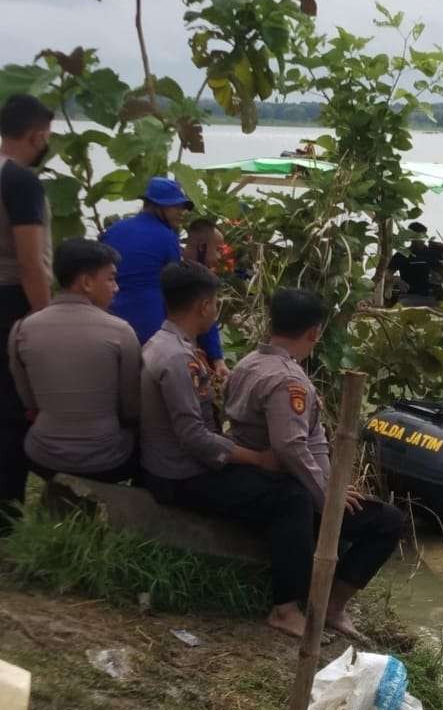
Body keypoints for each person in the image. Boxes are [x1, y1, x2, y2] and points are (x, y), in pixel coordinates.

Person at [140, 262, 321, 638]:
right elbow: (195, 438)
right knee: (294, 499)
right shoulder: (178, 358)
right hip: (181, 474)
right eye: (217, 301)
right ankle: (285, 609)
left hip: (171, 463)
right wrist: (256, 458)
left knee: (274, 488)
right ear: (205, 306)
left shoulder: (164, 344)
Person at [225, 288, 404, 639]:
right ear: (314, 332)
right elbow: (290, 446)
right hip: (280, 480)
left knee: (317, 504)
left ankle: (326, 607)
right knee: (388, 522)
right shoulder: (288, 380)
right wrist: (328, 494)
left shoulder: (247, 364)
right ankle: (314, 607)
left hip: (254, 475)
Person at [7, 238, 140, 483]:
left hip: (43, 456)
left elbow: (28, 400)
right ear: (87, 282)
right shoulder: (121, 331)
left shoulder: (22, 329)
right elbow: (131, 408)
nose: (116, 287)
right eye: (110, 278)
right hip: (108, 460)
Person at [102, 177, 228, 381]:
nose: (181, 212)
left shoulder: (114, 231)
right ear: (156, 206)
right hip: (149, 326)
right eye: (175, 207)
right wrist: (216, 357)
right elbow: (179, 286)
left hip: (110, 320)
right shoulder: (166, 236)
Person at [0, 94, 54, 532]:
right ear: (37, 135)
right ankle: (6, 517)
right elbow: (30, 263)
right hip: (10, 304)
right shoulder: (21, 182)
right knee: (11, 412)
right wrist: (45, 319)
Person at [388, 222, 437, 305]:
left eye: (424, 236)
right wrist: (397, 280)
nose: (422, 240)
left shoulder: (429, 253)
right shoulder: (402, 254)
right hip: (407, 297)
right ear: (411, 237)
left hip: (427, 297)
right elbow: (387, 274)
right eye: (419, 237)